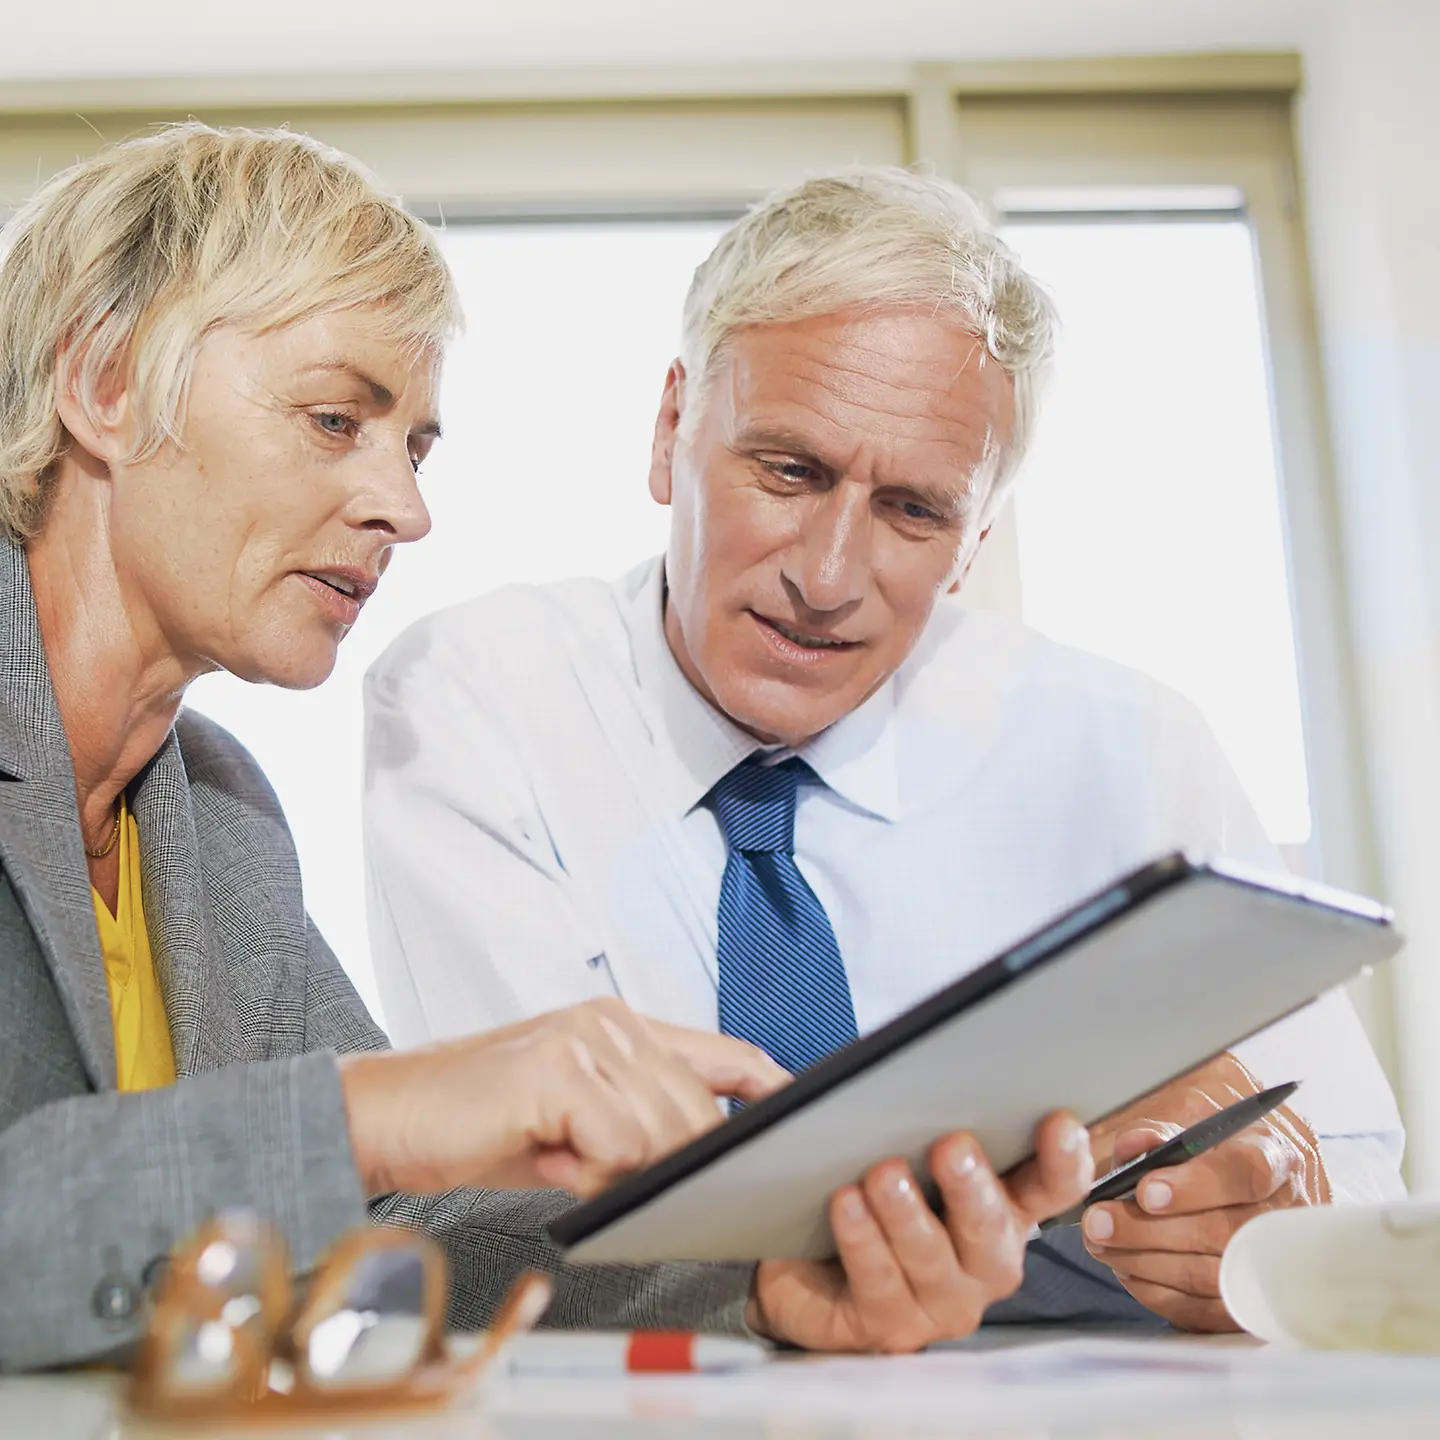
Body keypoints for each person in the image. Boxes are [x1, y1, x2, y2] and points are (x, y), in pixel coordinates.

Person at [0, 129, 1094, 1373]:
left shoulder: (212, 815)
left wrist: (762, 1290)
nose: (405, 509)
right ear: (100, 381)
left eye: (413, 446)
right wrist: (384, 1109)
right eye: (332, 418)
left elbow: (390, 1230)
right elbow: (347, 1147)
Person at [364, 167, 1407, 1335]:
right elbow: (518, 1205)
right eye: (789, 470)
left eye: (914, 511)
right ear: (671, 429)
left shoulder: (1128, 746)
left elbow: (1362, 1179)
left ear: (974, 544)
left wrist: (1263, 1228)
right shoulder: (476, 700)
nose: (826, 576)